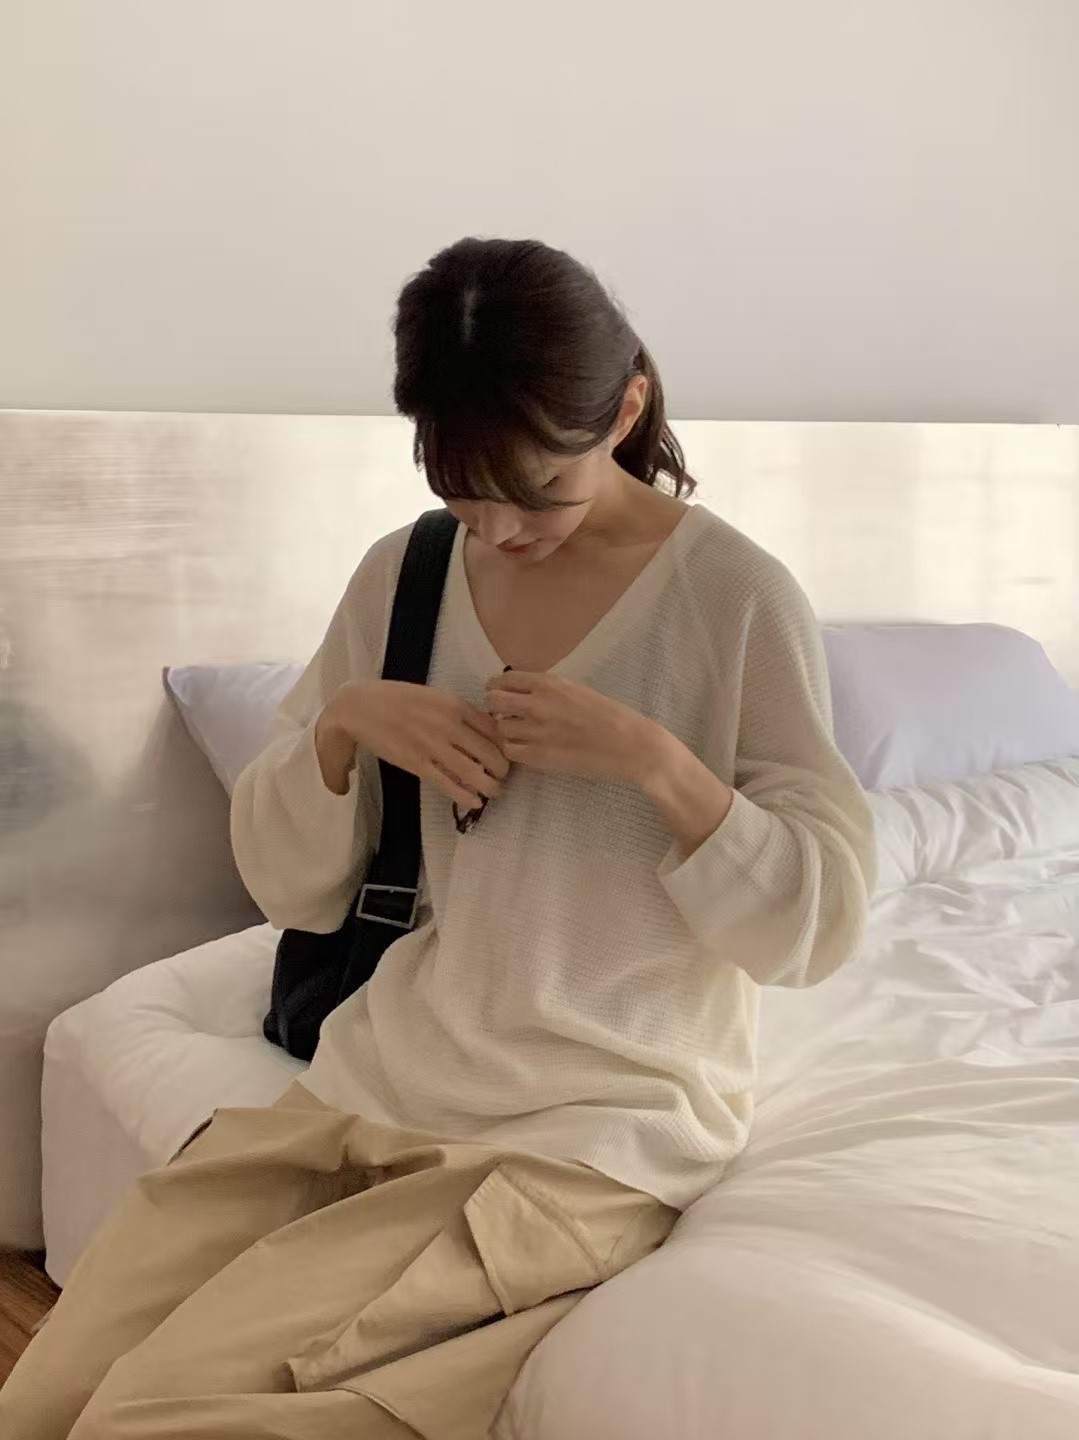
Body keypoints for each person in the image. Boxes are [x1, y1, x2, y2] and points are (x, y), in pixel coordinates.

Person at [1, 238, 875, 1440]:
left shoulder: (733, 599)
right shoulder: (405, 577)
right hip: (373, 1080)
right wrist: (345, 728)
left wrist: (655, 764)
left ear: (625, 413)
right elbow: (294, 889)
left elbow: (816, 927)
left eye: (539, 491)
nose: (500, 531)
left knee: (155, 1418)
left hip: (592, 1128)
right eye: (465, 494)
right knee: (46, 1396)